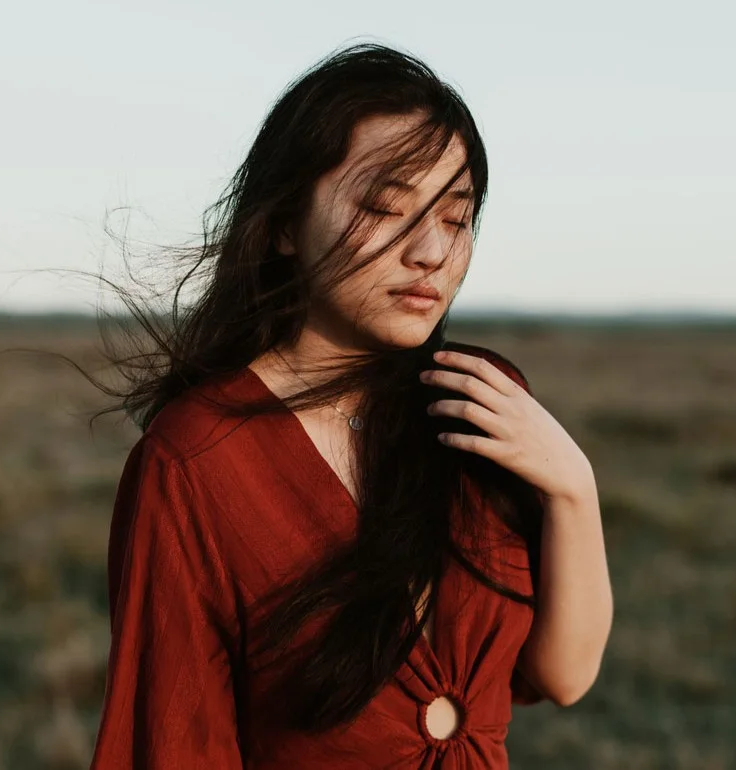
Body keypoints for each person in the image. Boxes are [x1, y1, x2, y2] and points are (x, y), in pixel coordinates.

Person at [86, 41, 612, 769]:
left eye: (455, 218)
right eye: (384, 207)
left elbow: (563, 674)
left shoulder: (477, 402)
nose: (430, 250)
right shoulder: (195, 459)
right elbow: (176, 741)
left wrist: (571, 489)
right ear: (280, 226)